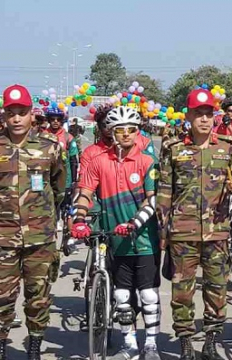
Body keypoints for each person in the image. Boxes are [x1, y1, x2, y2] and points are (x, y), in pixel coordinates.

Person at [157, 88, 232, 360]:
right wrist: (164, 232)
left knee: (217, 288)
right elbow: (164, 192)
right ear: (188, 116)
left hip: (217, 231)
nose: (204, 120)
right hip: (183, 233)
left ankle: (210, 341)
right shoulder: (174, 149)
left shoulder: (227, 147)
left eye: (209, 114)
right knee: (182, 291)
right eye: (199, 114)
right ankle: (185, 341)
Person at [70, 106, 162, 360]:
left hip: (144, 240)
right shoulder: (99, 161)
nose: (126, 135)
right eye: (119, 130)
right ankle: (129, 345)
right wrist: (79, 220)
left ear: (138, 132)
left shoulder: (147, 162)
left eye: (132, 129)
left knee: (148, 295)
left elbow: (153, 201)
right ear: (111, 132)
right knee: (122, 296)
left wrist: (134, 223)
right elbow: (86, 193)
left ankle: (151, 344)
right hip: (115, 239)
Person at [0, 84, 65, 359]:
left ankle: (35, 345)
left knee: (38, 296)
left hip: (40, 238)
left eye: (22, 112)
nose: (16, 118)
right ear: (4, 115)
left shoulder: (50, 147)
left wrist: (47, 219)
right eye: (11, 112)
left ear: (31, 114)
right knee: (2, 298)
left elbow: (59, 187)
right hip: (3, 238)